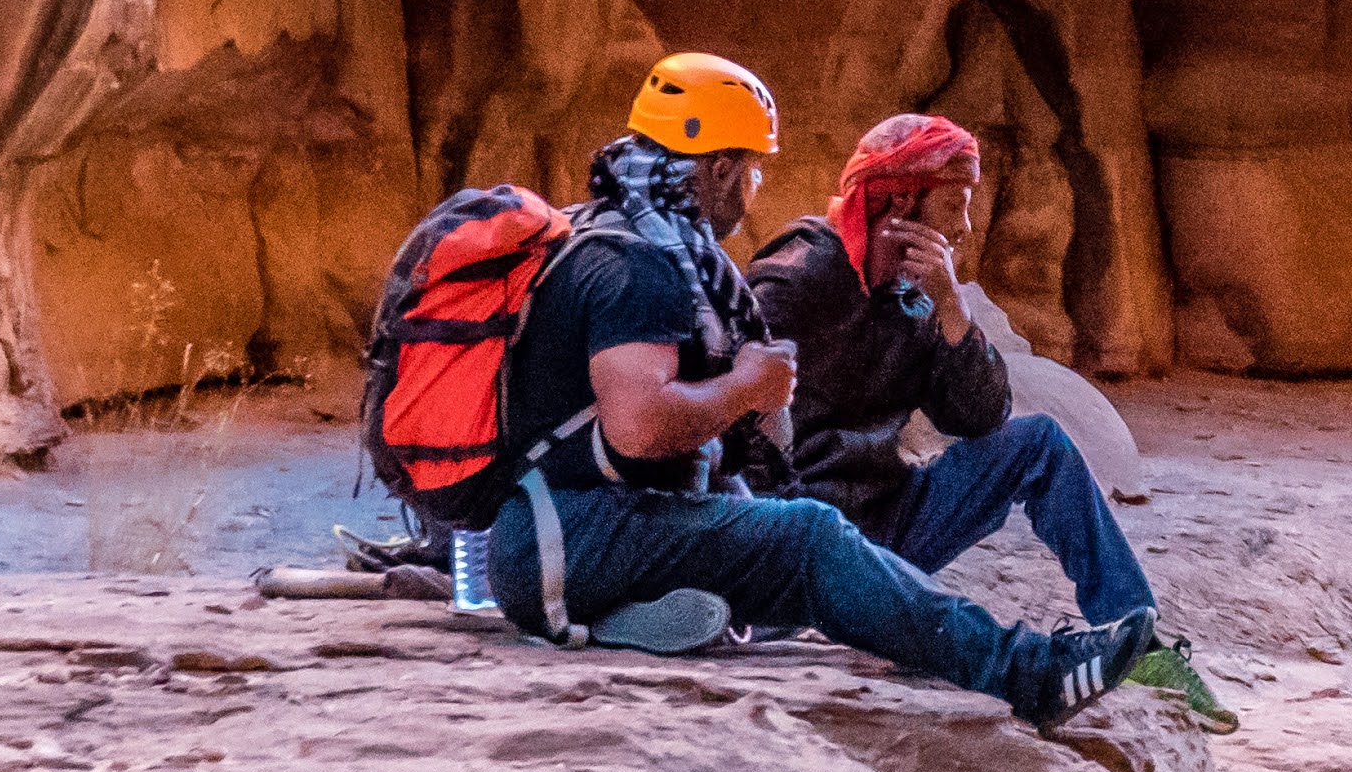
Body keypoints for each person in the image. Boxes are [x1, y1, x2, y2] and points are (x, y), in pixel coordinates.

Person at [486, 52, 1149, 728]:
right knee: (811, 536)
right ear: (721, 168)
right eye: (754, 168)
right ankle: (1028, 674)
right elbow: (644, 427)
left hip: (605, 526)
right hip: (570, 537)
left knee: (988, 464)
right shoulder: (645, 262)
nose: (757, 185)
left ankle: (1133, 634)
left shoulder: (659, 249)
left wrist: (952, 310)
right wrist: (749, 390)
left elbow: (980, 418)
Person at [749, 109, 1237, 731]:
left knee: (1037, 443)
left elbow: (981, 418)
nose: (966, 226)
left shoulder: (919, 296)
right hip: (798, 536)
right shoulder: (800, 277)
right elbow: (732, 423)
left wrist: (953, 312)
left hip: (881, 522)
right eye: (955, 205)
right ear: (899, 203)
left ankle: (1141, 647)